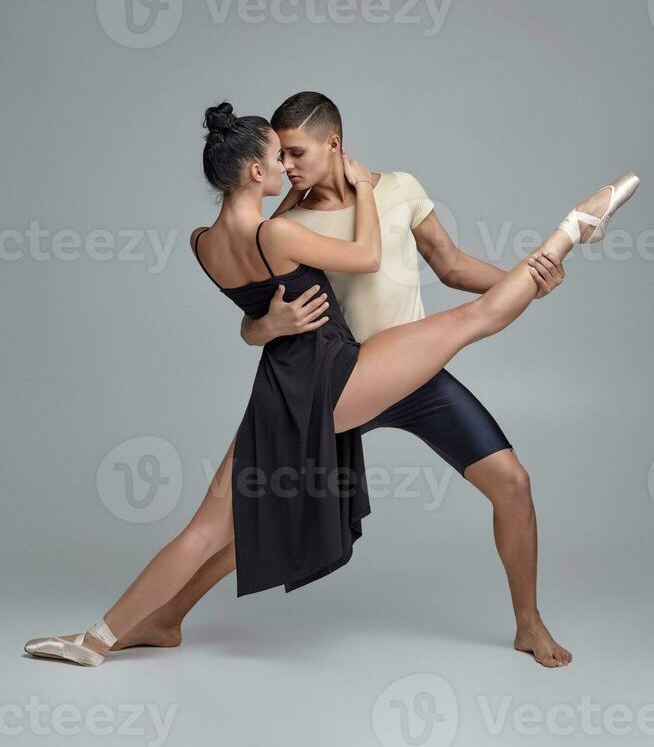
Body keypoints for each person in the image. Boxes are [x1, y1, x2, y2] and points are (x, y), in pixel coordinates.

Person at [23, 99, 639, 668]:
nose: (287, 166)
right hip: (342, 374)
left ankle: (115, 633)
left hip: (341, 381)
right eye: (277, 156)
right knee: (476, 322)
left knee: (226, 523)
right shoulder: (284, 222)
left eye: (296, 153)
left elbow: (447, 267)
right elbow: (305, 280)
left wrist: (268, 322)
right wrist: (277, 308)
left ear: (333, 144)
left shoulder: (261, 225)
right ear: (256, 173)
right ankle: (574, 231)